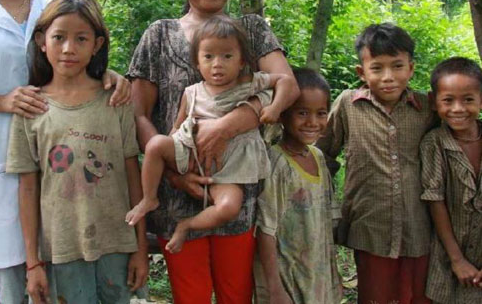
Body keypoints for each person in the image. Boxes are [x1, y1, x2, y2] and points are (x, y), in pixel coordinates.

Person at [127, 0, 298, 303]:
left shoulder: (250, 29)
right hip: (176, 200)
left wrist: (228, 125)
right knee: (192, 297)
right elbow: (139, 114)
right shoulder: (159, 36)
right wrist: (173, 174)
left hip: (236, 191)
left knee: (237, 294)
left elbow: (286, 85)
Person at [0, 0, 131, 304]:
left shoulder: (52, 12)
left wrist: (109, 76)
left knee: (60, 290)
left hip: (62, 182)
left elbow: (80, 55)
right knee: (13, 291)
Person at [5, 0, 148, 304]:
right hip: (60, 251)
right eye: (59, 37)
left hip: (118, 247)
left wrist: (139, 249)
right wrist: (33, 263)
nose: (69, 48)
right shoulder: (31, 107)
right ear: (42, 41)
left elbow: (132, 175)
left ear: (96, 44)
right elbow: (28, 188)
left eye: (80, 38)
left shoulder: (116, 101)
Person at [126, 15, 292, 253]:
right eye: (208, 57)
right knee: (155, 145)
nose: (217, 64)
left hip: (226, 171)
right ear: (197, 62)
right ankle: (149, 198)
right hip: (191, 158)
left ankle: (186, 226)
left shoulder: (249, 83)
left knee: (229, 207)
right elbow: (177, 126)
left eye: (227, 56)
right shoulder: (191, 92)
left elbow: (285, 81)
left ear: (242, 60)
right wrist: (173, 164)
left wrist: (274, 108)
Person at [317, 23, 432, 304]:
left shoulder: (426, 108)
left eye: (397, 66)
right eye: (377, 68)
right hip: (369, 225)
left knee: (417, 295)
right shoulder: (348, 105)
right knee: (374, 297)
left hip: (418, 225)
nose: (388, 77)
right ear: (362, 72)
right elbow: (321, 155)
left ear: (411, 68)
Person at [255, 67, 342, 303]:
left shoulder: (317, 156)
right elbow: (266, 230)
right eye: (302, 113)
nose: (312, 122)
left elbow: (324, 224)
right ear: (283, 114)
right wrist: (274, 289)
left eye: (321, 113)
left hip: (317, 277)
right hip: (287, 281)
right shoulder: (277, 163)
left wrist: (332, 277)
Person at [420, 57, 482, 303]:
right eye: (448, 100)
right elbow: (435, 201)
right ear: (433, 102)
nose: (458, 108)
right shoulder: (434, 143)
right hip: (449, 256)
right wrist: (457, 260)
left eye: (468, 99)